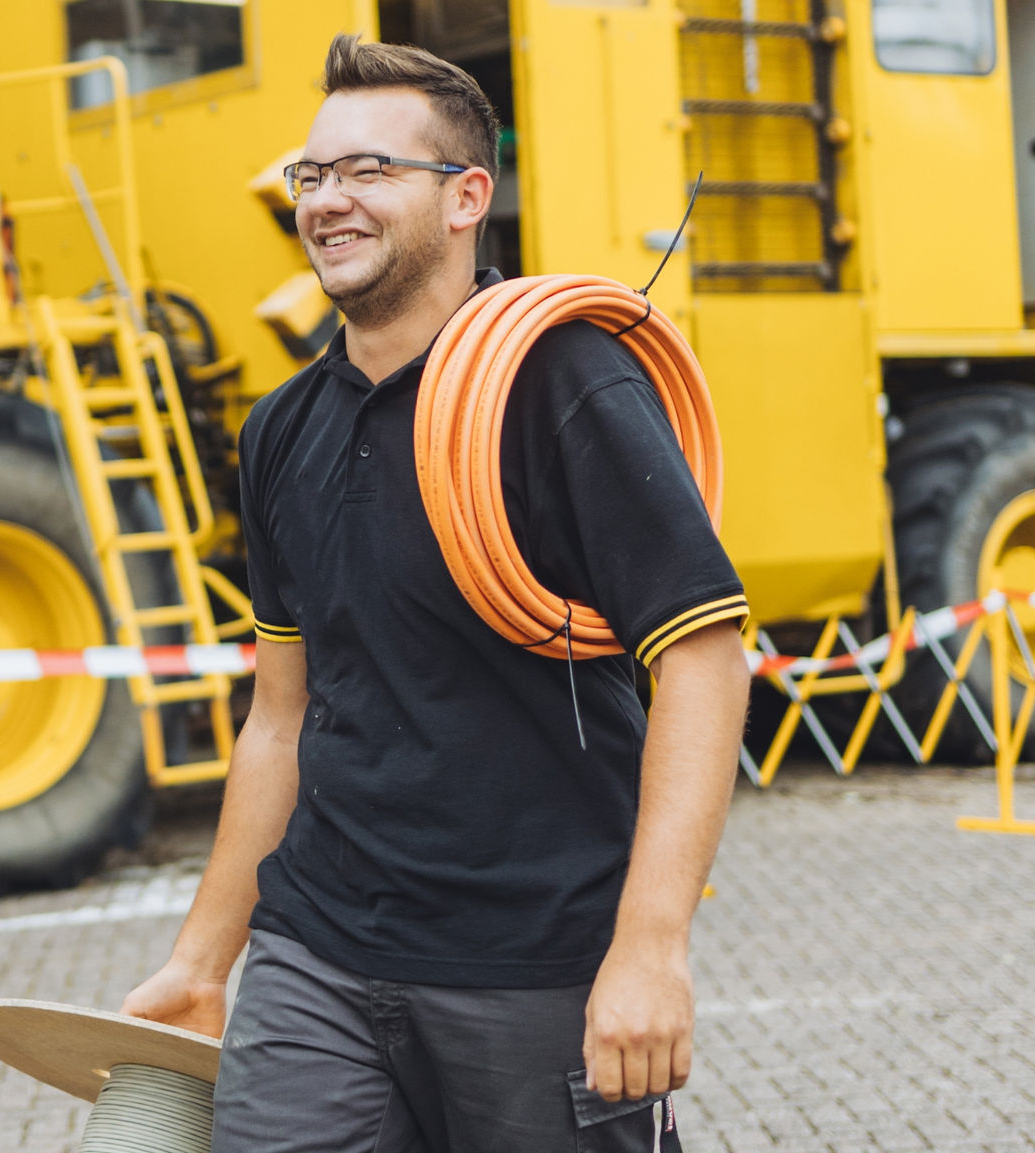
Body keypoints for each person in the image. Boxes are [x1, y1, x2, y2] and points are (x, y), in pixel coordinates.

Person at [122, 34, 752, 1152]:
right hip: (316, 950)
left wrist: (650, 947)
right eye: (310, 176)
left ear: (466, 196)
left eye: (368, 171)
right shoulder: (280, 431)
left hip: (531, 962)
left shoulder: (562, 383)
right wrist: (202, 958)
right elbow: (280, 716)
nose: (326, 201)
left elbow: (700, 657)